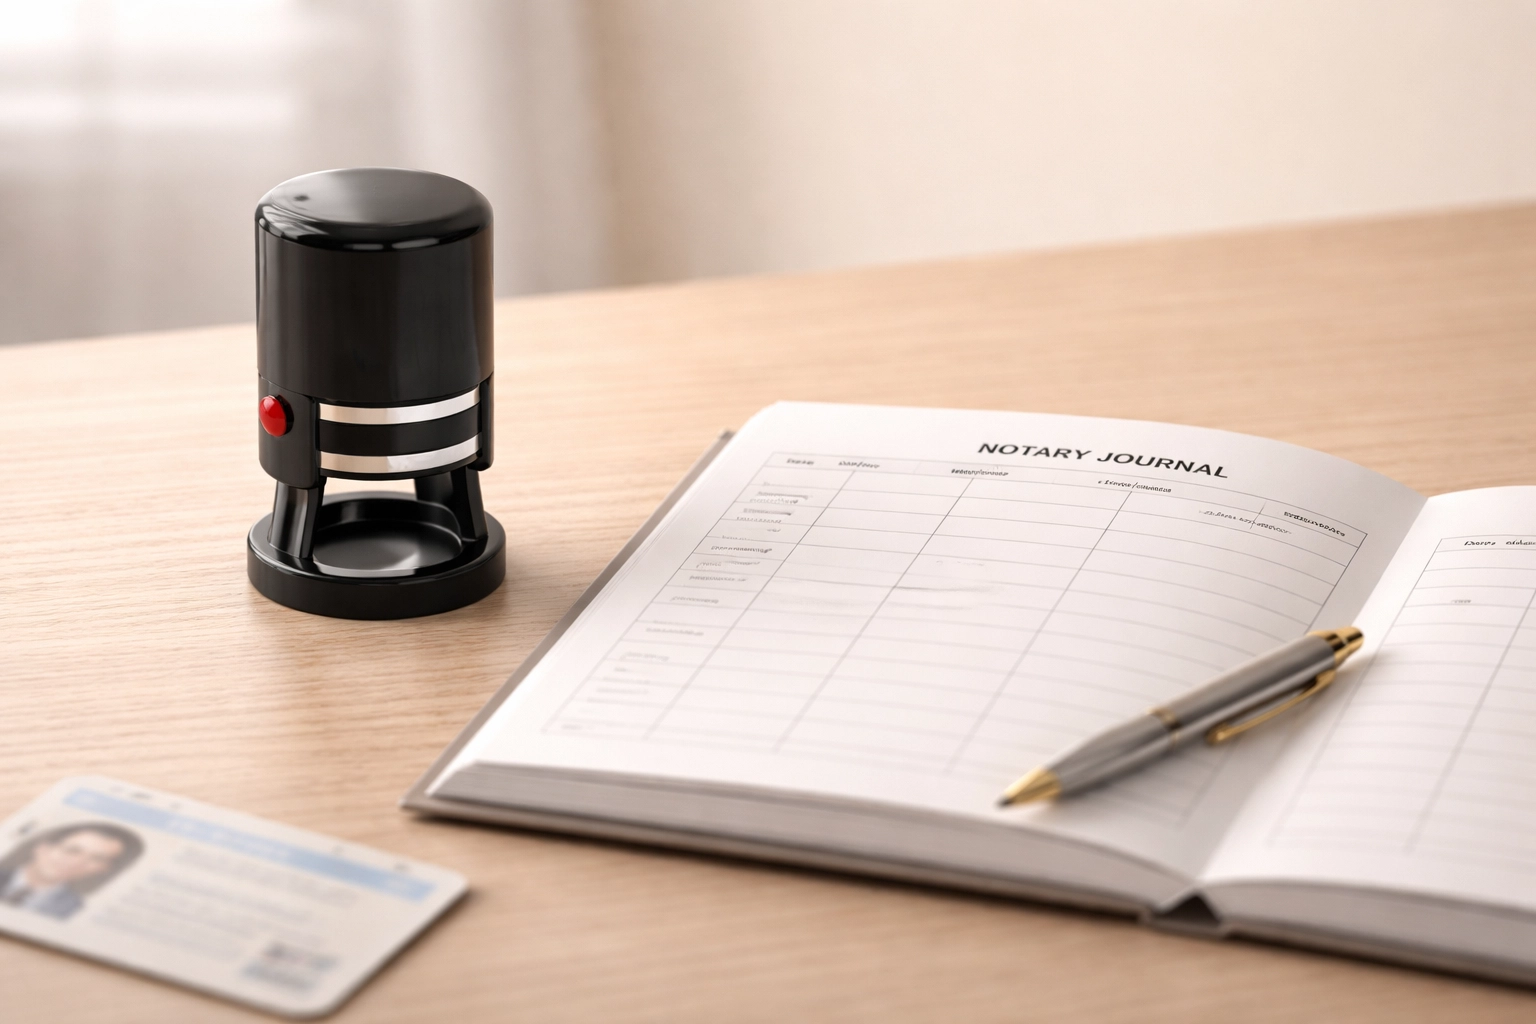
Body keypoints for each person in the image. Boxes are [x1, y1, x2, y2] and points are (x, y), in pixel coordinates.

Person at [0, 822, 143, 921]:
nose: (76, 863)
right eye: (72, 850)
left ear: (103, 869)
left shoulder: (75, 909)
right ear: (43, 848)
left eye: (96, 858)